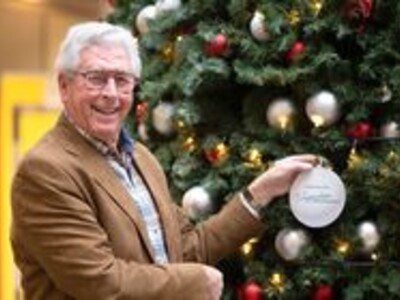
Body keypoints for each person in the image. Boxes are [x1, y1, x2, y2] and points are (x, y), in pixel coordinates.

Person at [10, 21, 317, 300]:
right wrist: (195, 282)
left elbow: (184, 249)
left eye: (122, 79)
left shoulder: (141, 159)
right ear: (64, 86)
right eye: (96, 78)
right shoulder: (46, 170)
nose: (112, 94)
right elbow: (99, 283)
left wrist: (260, 192)